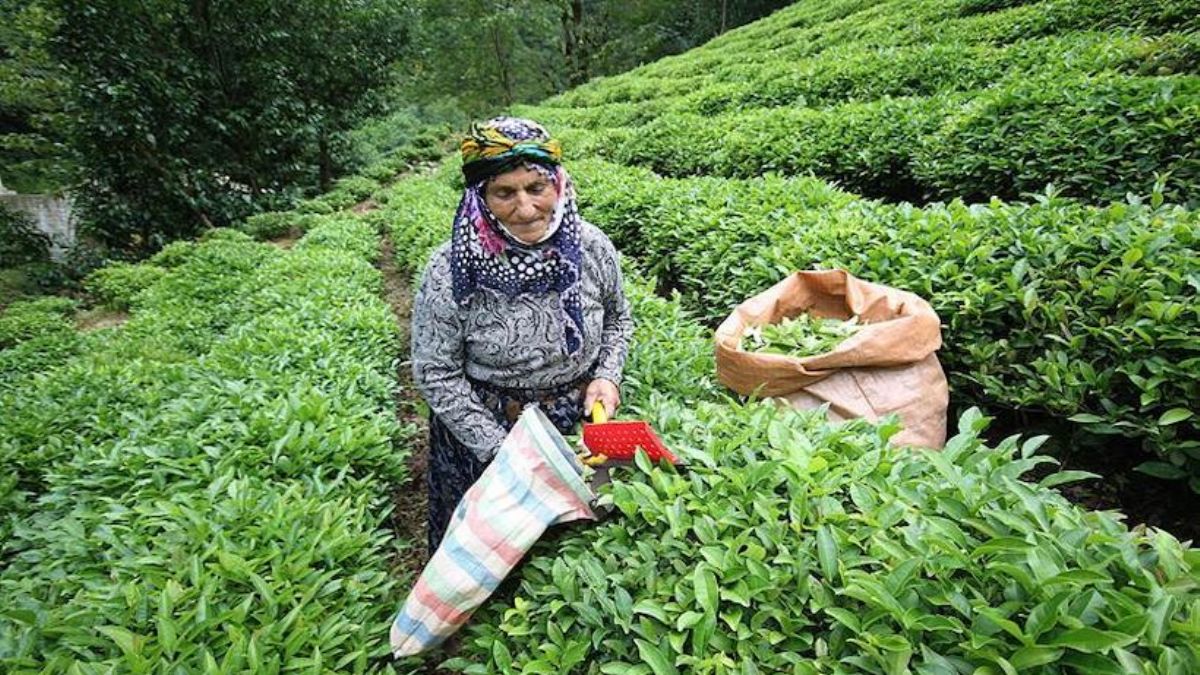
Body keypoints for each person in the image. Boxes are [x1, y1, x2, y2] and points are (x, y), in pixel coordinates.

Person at [411, 116, 634, 553]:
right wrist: (502, 451)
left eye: (537, 188)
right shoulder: (450, 268)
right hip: (486, 427)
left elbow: (617, 319)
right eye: (504, 193)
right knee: (492, 551)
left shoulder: (591, 247)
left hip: (577, 420)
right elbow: (436, 372)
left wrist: (607, 375)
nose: (527, 208)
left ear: (559, 185)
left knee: (574, 549)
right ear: (480, 197)